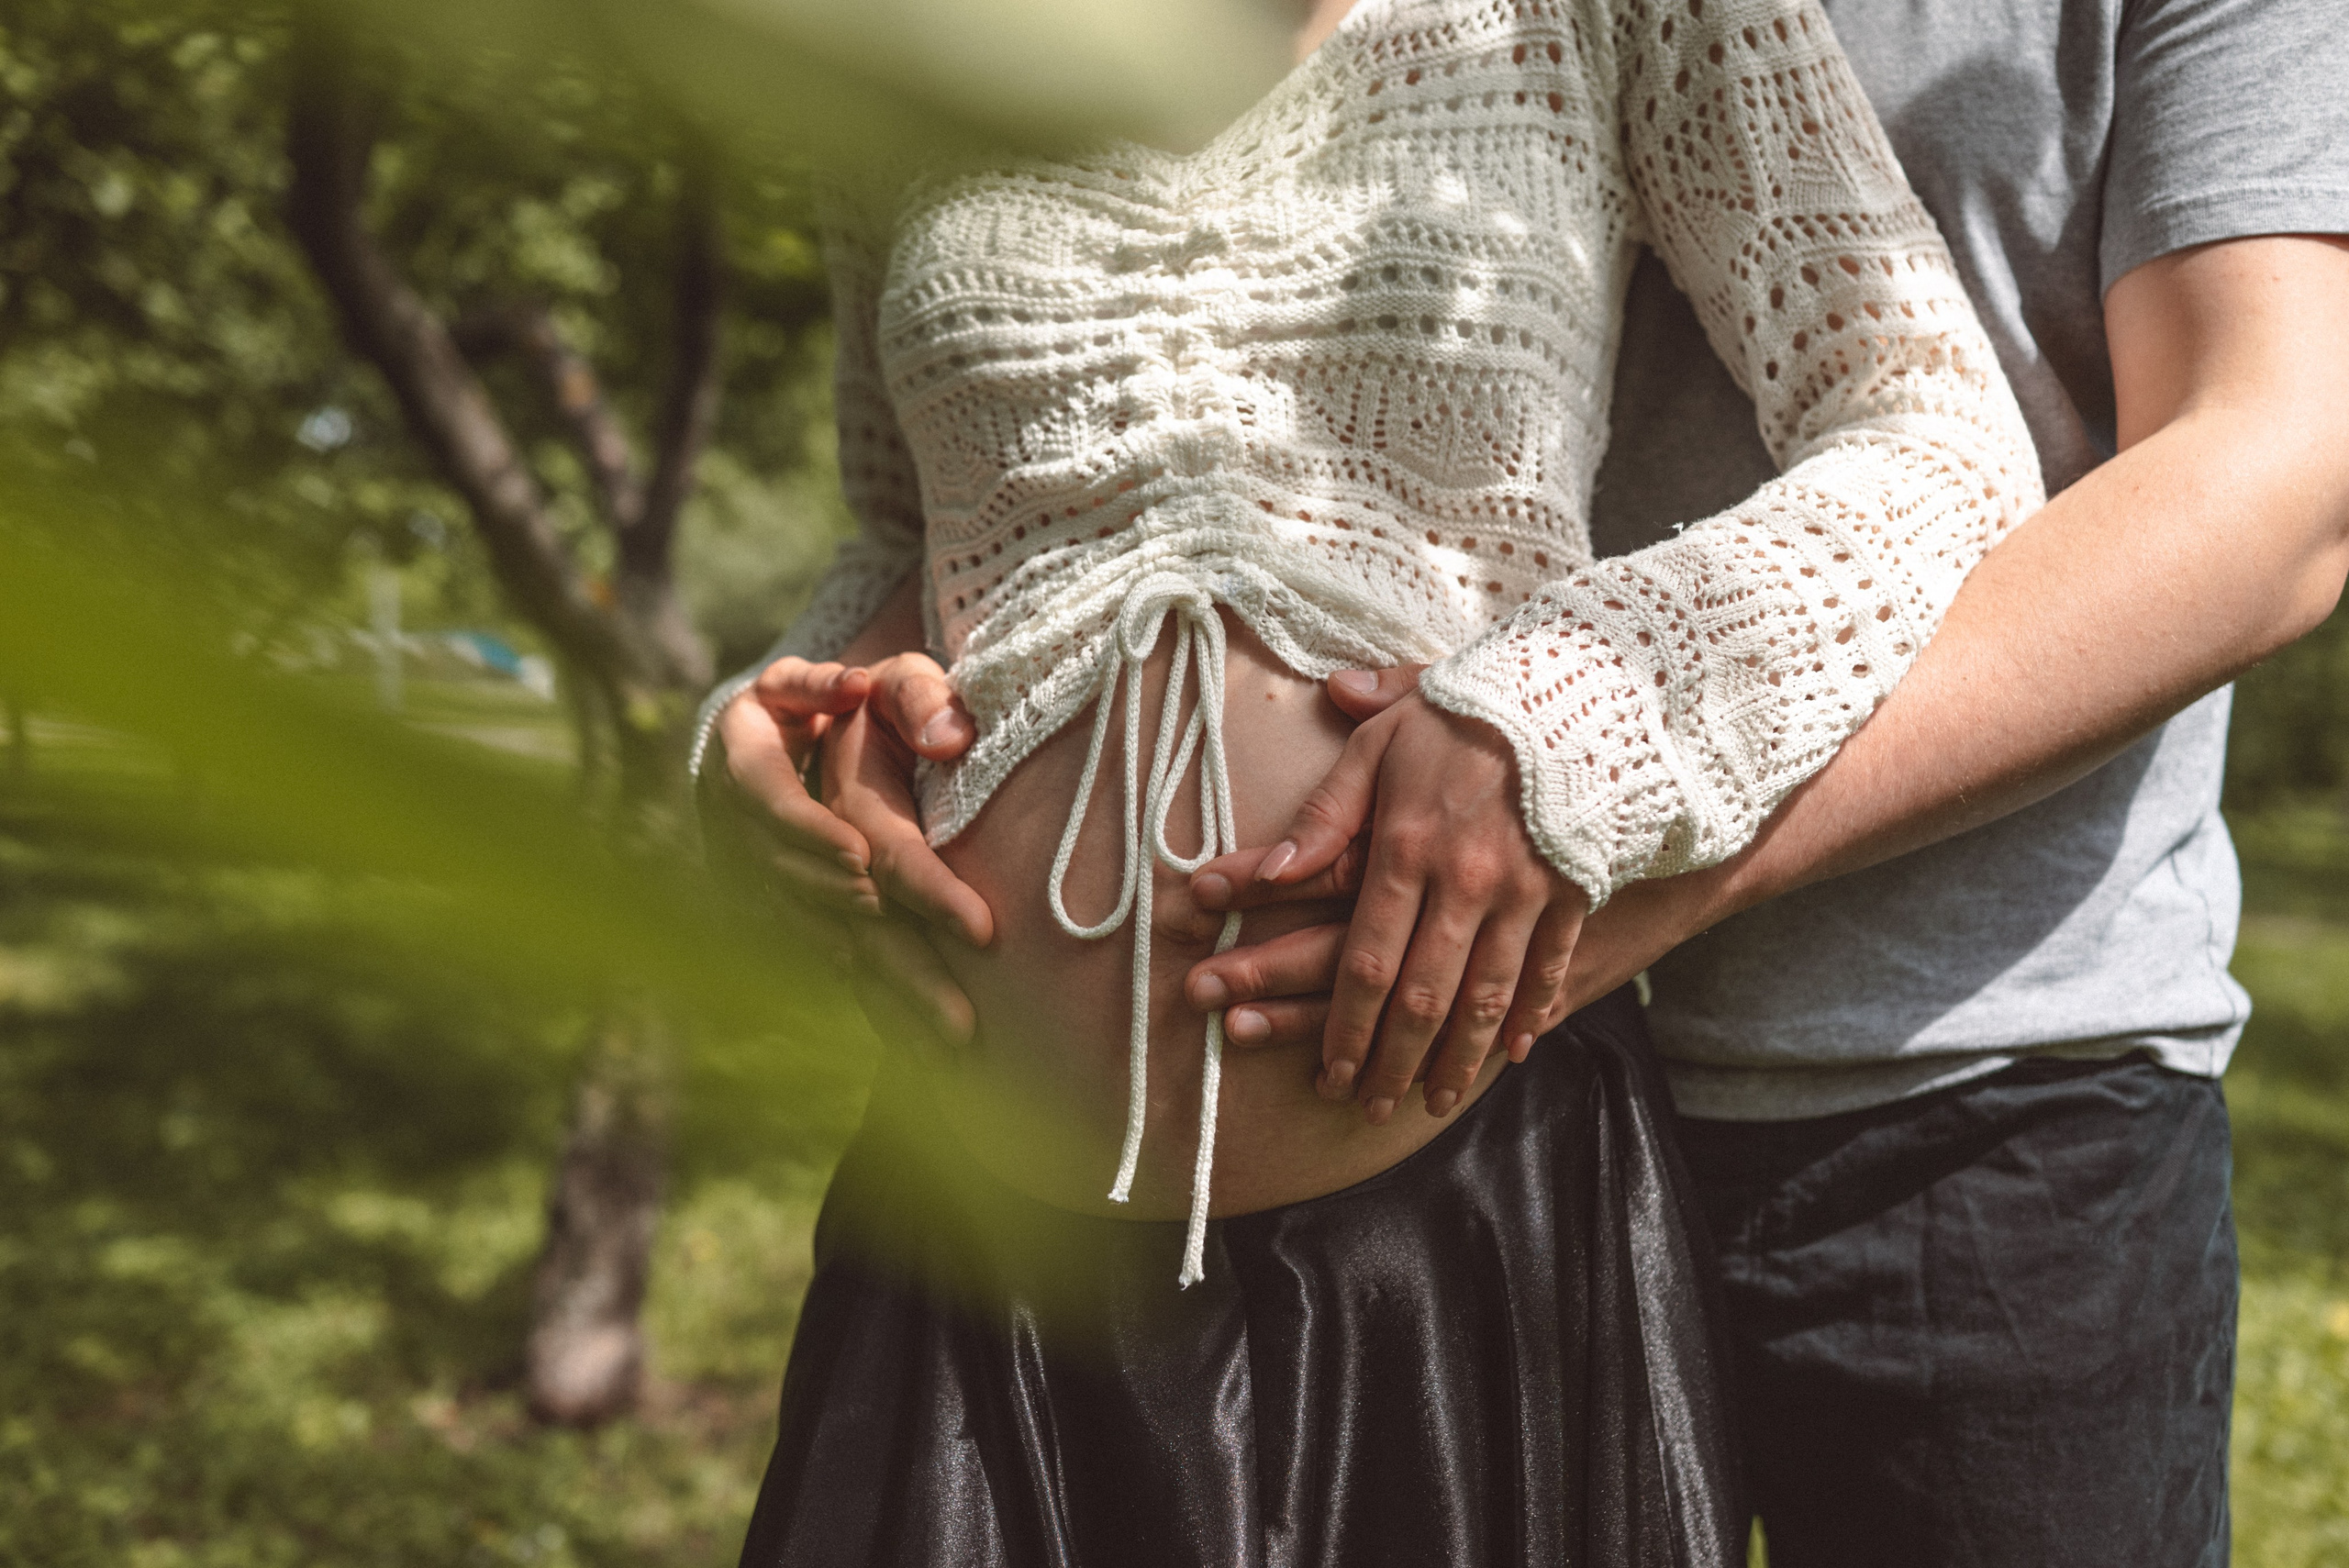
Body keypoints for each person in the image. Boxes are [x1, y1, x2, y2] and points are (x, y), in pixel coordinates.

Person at [701, 0, 2053, 1562]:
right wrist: (773, 730)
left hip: (1454, 1236)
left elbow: (1934, 430)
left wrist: (1571, 705)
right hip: (964, 1234)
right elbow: (902, 538)